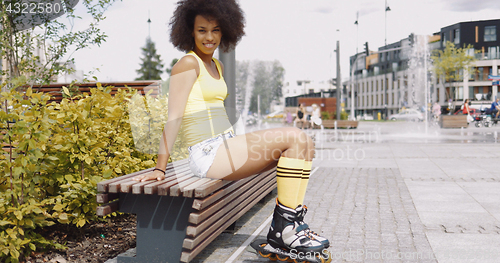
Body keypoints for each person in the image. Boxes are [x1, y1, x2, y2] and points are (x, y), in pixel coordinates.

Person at [131, 0, 329, 259]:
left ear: (225, 30)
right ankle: (285, 232)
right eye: (202, 30)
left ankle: (290, 226)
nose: (209, 37)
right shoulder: (187, 64)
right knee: (294, 136)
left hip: (225, 145)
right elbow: (173, 118)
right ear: (190, 31)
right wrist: (160, 168)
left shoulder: (217, 65)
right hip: (207, 154)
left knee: (305, 144)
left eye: (215, 30)